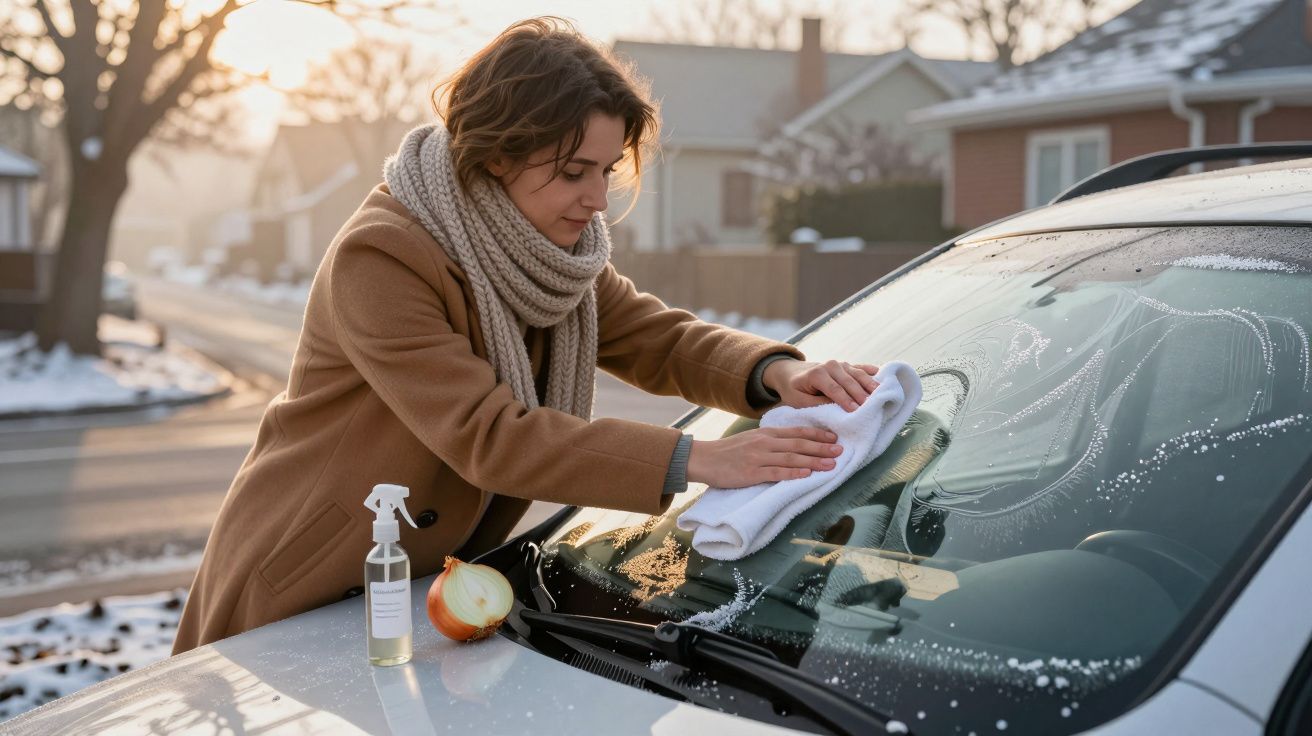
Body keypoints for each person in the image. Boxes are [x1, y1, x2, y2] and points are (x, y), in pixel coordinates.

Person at [173, 17, 880, 653]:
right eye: (575, 172)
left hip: (424, 588)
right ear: (497, 154)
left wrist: (772, 373)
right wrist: (699, 460)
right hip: (306, 578)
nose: (600, 198)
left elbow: (651, 336)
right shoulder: (383, 256)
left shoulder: (548, 252)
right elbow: (491, 437)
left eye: (606, 171)